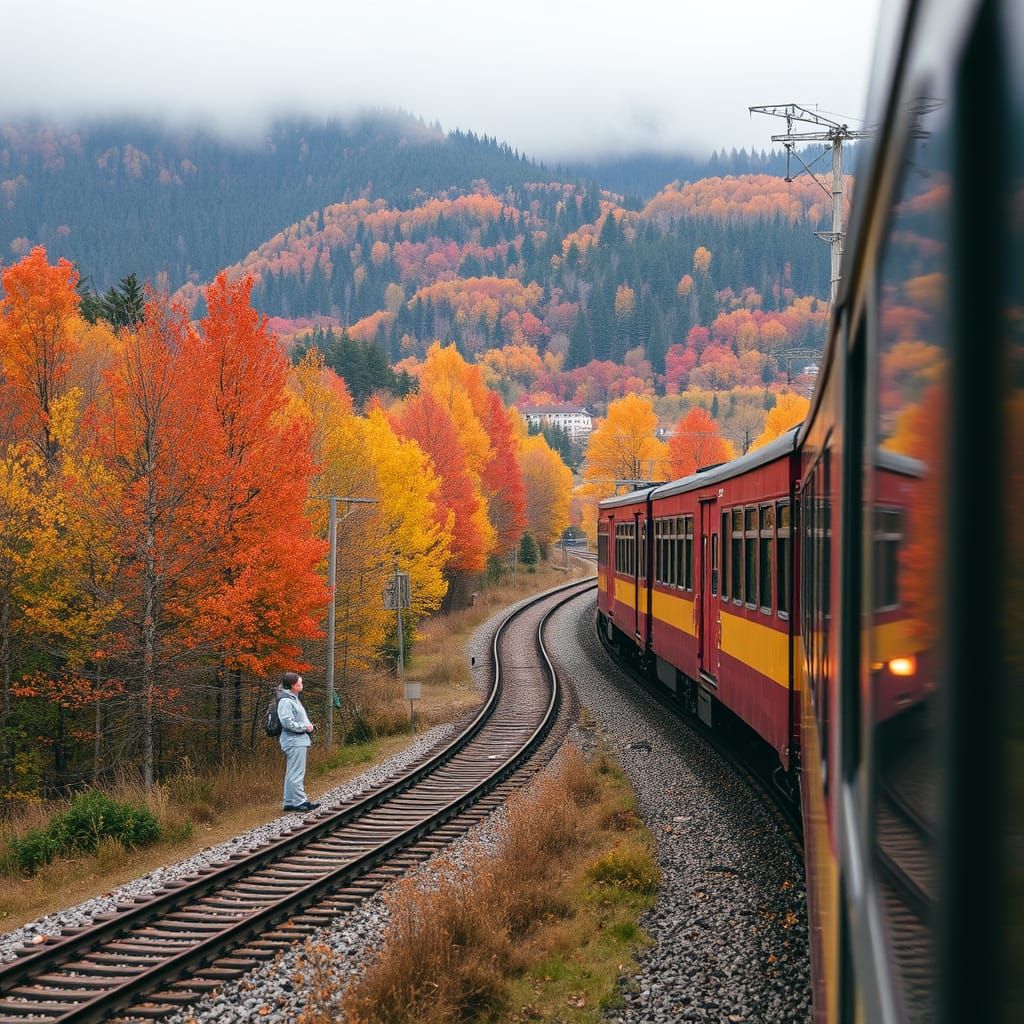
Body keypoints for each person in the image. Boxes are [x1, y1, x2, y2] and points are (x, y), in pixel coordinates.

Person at [277, 671, 320, 812]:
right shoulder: (286, 701)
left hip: (297, 740)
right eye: (299, 683)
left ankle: (289, 802)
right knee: (297, 773)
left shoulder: (293, 698)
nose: (302, 685)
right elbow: (286, 722)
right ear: (292, 685)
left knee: (292, 772)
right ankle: (300, 802)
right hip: (294, 741)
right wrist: (305, 727)